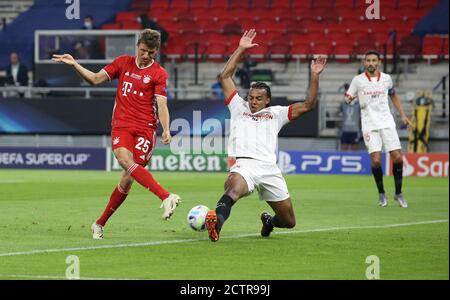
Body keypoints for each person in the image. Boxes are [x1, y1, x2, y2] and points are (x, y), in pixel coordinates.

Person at [52, 29, 181, 239]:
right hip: (122, 125)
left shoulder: (159, 73)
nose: (145, 55)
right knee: (123, 159)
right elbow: (94, 79)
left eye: (150, 52)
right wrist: (75, 64)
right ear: (137, 46)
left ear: (156, 51)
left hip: (146, 129)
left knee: (128, 178)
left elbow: (162, 104)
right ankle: (166, 196)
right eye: (142, 50)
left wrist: (166, 128)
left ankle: (99, 223)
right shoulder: (123, 62)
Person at [205, 29, 327, 242]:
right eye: (251, 97)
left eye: (258, 98)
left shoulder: (277, 114)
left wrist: (314, 75)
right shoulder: (237, 106)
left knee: (289, 221)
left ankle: (269, 222)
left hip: (269, 169)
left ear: (267, 100)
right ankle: (216, 225)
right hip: (244, 166)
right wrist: (241, 48)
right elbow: (225, 76)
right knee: (234, 190)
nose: (253, 101)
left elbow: (308, 105)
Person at [345, 50, 412, 208]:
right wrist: (350, 99)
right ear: (364, 62)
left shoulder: (387, 79)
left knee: (398, 158)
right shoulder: (358, 80)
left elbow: (394, 96)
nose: (371, 63)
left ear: (379, 62)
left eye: (374, 60)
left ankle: (398, 193)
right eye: (368, 60)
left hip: (387, 123)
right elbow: (347, 98)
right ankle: (382, 193)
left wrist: (403, 115)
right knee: (376, 161)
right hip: (369, 125)